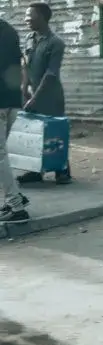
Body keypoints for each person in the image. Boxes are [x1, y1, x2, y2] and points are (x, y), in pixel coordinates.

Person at [19, 2, 70, 185]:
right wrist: (24, 88)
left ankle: (62, 172)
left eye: (29, 15)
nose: (26, 19)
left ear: (42, 17)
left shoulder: (56, 43)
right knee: (34, 134)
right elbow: (25, 64)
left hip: (51, 96)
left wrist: (35, 97)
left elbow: (51, 74)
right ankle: (35, 171)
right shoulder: (29, 38)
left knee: (56, 134)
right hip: (32, 94)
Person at [0, 15, 29, 221]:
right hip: (11, 100)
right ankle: (14, 198)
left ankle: (16, 205)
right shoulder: (9, 29)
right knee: (2, 154)